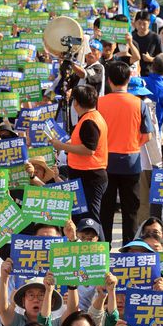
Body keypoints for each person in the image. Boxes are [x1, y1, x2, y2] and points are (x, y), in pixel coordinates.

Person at [97, 61, 152, 244]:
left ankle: (103, 249)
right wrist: (133, 144)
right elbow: (148, 135)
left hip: (105, 162)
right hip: (131, 161)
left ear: (109, 80)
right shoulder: (139, 103)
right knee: (131, 210)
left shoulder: (99, 102)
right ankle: (130, 249)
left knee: (106, 209)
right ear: (129, 78)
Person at [49, 83, 108, 229]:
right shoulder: (90, 117)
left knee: (91, 220)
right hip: (86, 175)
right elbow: (85, 142)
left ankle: (97, 249)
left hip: (90, 176)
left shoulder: (89, 121)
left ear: (76, 103)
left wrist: (61, 146)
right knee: (83, 218)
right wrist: (70, 142)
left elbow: (89, 149)